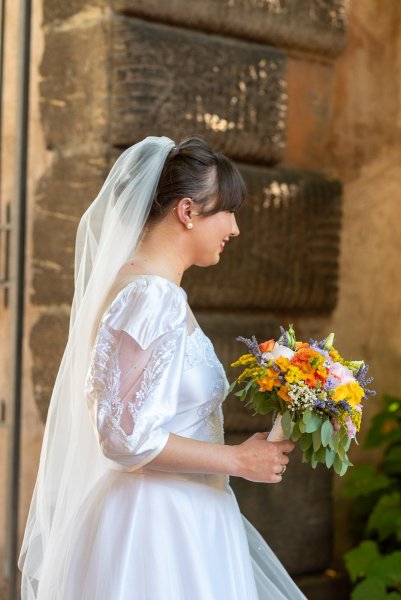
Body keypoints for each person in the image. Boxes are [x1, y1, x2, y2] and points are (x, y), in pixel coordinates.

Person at [19, 136, 307, 599]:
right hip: (157, 528)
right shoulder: (152, 297)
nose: (234, 228)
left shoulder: (146, 288)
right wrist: (237, 459)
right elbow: (124, 439)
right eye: (227, 211)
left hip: (187, 513)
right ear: (188, 212)